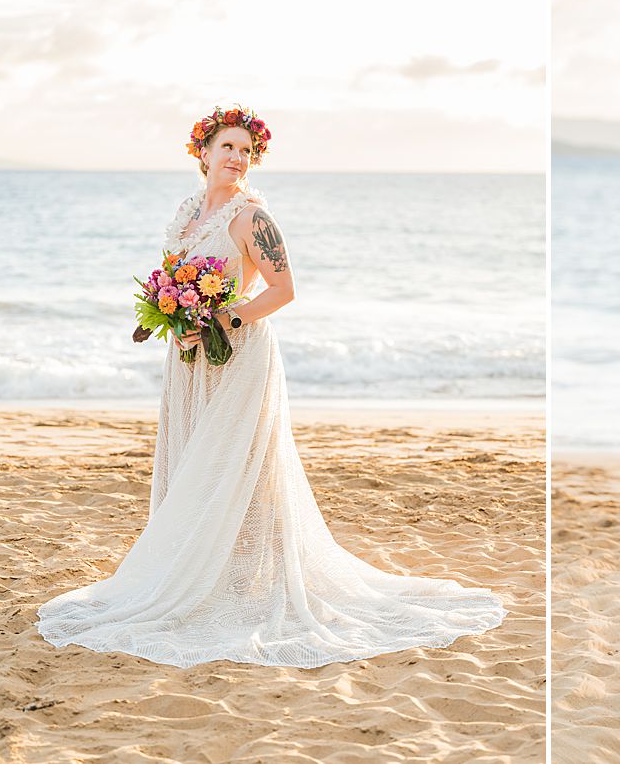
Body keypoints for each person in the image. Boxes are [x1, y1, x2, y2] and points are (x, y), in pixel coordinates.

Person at [36, 105, 507, 668]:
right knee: (193, 462)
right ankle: (203, 569)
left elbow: (283, 290)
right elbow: (175, 280)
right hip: (188, 359)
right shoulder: (188, 213)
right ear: (202, 152)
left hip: (238, 355)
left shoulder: (251, 218)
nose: (237, 159)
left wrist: (221, 321)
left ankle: (240, 583)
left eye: (246, 151)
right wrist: (177, 320)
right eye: (227, 148)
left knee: (237, 467)